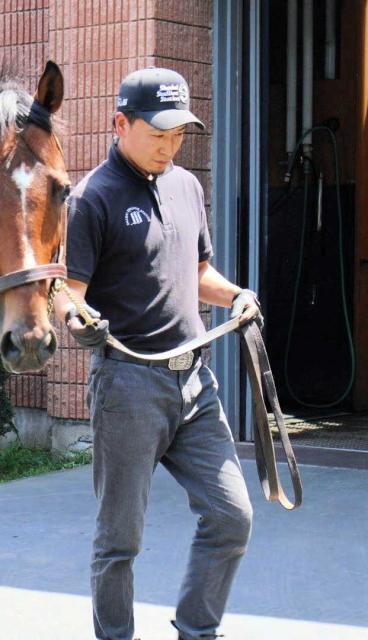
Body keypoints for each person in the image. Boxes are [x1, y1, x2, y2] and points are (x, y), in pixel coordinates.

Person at [57, 67, 263, 640]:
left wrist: (238, 295)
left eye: (179, 135)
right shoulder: (91, 199)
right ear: (120, 123)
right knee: (119, 541)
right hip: (128, 387)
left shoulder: (185, 186)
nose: (170, 146)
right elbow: (67, 296)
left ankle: (198, 630)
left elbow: (197, 276)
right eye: (159, 134)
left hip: (196, 385)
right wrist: (81, 322)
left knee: (231, 517)